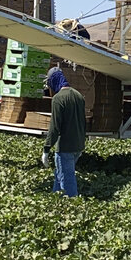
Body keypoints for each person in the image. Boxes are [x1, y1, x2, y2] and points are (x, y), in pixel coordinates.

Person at [42, 67, 87, 197]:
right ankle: (55, 199)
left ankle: (72, 206)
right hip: (78, 145)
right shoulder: (78, 95)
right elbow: (83, 122)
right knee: (60, 174)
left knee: (67, 181)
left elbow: (55, 127)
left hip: (65, 147)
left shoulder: (58, 99)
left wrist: (46, 149)